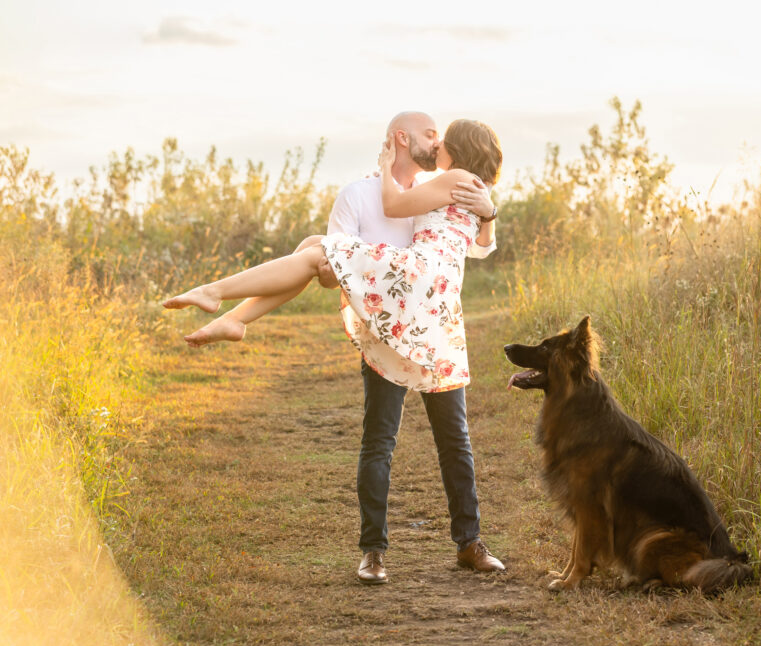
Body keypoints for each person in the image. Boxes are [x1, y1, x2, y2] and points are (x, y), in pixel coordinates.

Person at [163, 112, 506, 584]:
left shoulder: (448, 180)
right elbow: (477, 241)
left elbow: (401, 205)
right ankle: (379, 550)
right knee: (313, 250)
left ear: (459, 148)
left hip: (418, 293)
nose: (437, 143)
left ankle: (221, 298)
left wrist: (391, 168)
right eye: (431, 135)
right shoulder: (449, 187)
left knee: (448, 440)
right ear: (405, 138)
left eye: (443, 138)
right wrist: (488, 212)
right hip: (430, 305)